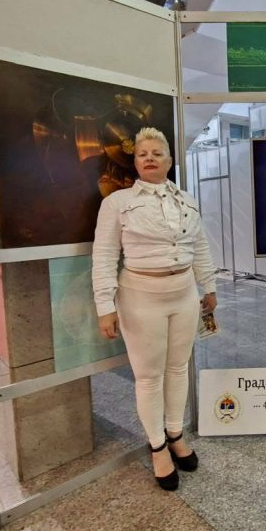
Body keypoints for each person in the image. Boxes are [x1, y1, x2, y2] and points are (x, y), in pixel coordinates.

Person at [92, 127, 217, 491]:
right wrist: (105, 305)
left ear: (169, 161)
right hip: (140, 296)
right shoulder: (116, 203)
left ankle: (175, 434)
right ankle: (158, 447)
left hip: (184, 294)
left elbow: (199, 246)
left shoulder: (187, 201)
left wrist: (209, 286)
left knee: (178, 368)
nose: (149, 158)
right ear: (134, 162)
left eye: (157, 153)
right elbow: (104, 255)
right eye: (142, 154)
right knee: (149, 377)